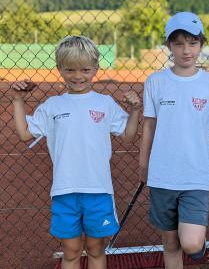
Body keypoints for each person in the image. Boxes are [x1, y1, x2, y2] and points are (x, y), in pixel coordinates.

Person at [11, 35, 141, 269]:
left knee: (95, 248)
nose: (78, 76)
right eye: (70, 69)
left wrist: (134, 111)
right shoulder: (52, 105)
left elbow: (128, 135)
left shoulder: (106, 103)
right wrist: (18, 100)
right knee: (70, 251)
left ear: (96, 68)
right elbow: (24, 133)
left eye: (85, 69)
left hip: (98, 190)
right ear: (59, 69)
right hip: (65, 190)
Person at [139, 11, 209, 269]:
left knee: (190, 244)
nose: (186, 50)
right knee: (170, 245)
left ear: (201, 44)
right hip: (162, 174)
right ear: (169, 45)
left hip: (195, 174)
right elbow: (148, 124)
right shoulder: (156, 82)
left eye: (192, 43)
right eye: (178, 43)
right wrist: (143, 164)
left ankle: (197, 243)